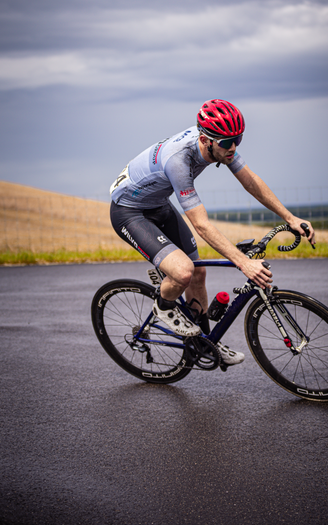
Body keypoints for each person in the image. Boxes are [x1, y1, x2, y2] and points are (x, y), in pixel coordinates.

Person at [110, 99, 315, 366]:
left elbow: (250, 181)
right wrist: (243, 263)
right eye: (228, 142)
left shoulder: (220, 145)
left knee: (199, 273)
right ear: (206, 140)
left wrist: (290, 217)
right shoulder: (179, 161)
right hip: (129, 211)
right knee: (183, 271)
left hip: (158, 204)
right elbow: (202, 224)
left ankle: (204, 342)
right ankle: (163, 304)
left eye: (238, 139)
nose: (234, 147)